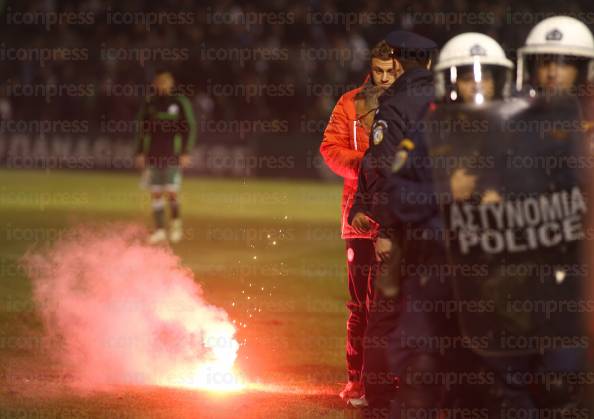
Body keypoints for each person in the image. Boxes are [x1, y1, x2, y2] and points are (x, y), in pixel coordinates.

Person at [347, 30, 437, 414]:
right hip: (440, 227)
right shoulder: (448, 100)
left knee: (383, 317)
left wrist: (383, 226)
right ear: (430, 63)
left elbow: (384, 168)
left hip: (401, 229)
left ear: (398, 63)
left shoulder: (395, 104)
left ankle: (380, 399)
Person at [319, 39, 400, 406]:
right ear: (371, 68)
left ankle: (388, 376)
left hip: (400, 216)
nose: (384, 78)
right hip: (359, 217)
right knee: (360, 306)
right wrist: (364, 166)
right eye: (379, 71)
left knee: (396, 302)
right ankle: (357, 379)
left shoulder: (409, 105)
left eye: (391, 71)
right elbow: (329, 147)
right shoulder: (351, 102)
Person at [135, 70, 197, 244]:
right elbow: (142, 128)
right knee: (155, 192)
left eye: (165, 82)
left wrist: (186, 151)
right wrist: (140, 152)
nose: (162, 86)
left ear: (171, 84)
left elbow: (189, 127)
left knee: (171, 191)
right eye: (159, 83)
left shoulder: (179, 102)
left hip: (172, 154)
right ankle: (160, 230)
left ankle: (176, 225)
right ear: (155, 84)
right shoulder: (150, 102)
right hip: (153, 154)